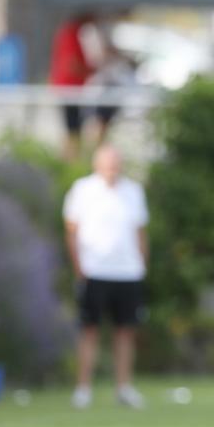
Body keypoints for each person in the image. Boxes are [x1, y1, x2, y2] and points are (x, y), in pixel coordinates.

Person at [64, 146, 149, 410]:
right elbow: (71, 230)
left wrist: (141, 265)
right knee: (89, 330)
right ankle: (83, 389)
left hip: (128, 272)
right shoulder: (82, 189)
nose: (112, 167)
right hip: (94, 271)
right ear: (97, 164)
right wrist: (79, 268)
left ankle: (124, 388)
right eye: (108, 162)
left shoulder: (134, 191)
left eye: (116, 162)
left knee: (125, 331)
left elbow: (140, 232)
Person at [50, 12, 97, 162]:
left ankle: (72, 159)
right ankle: (70, 160)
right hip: (69, 89)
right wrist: (90, 70)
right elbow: (72, 65)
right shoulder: (71, 33)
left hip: (71, 88)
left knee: (75, 128)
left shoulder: (71, 33)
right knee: (72, 129)